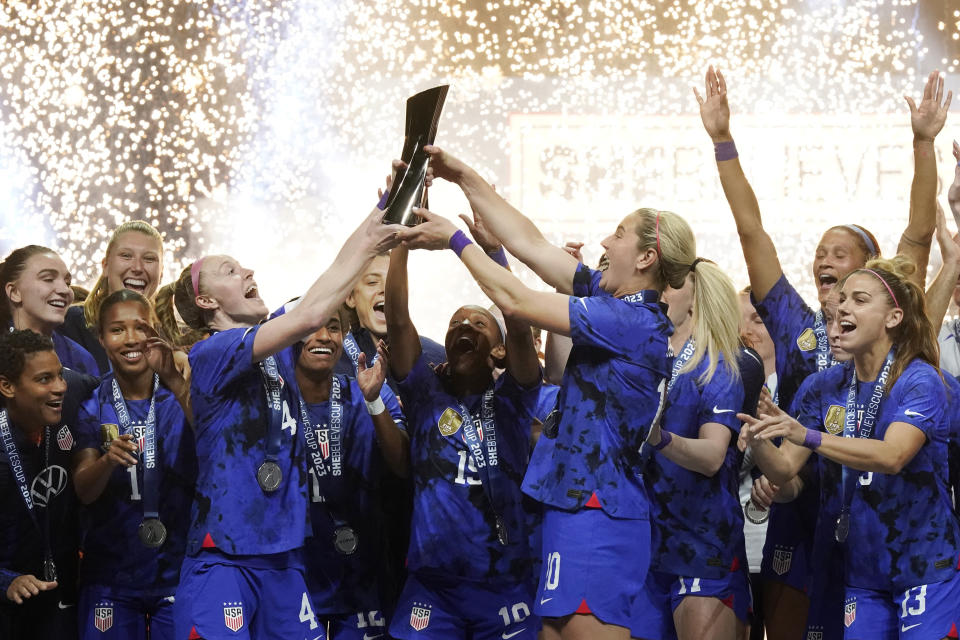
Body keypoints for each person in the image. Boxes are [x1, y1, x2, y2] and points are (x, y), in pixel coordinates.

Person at [398, 145, 695, 640]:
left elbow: (515, 299)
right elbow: (529, 242)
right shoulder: (607, 297)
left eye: (618, 234)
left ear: (646, 257)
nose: (605, 239)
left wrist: (453, 240)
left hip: (600, 512)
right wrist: (461, 174)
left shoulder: (631, 320)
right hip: (571, 506)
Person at [695, 66, 951, 638]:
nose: (824, 261)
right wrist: (722, 142)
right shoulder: (797, 325)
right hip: (804, 509)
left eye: (842, 253)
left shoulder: (905, 358)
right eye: (818, 252)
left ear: (878, 281)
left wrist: (923, 144)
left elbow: (917, 231)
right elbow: (751, 232)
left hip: (884, 512)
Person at [164, 198, 401, 639]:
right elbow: (311, 311)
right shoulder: (213, 351)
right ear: (206, 299)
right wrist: (371, 240)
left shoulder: (279, 354)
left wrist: (380, 213)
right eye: (231, 271)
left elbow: (322, 294)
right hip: (225, 555)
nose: (248, 272)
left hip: (286, 557)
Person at [742, 257, 960, 638]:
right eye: (841, 299)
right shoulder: (822, 387)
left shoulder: (920, 380)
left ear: (893, 318)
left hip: (925, 568)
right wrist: (760, 438)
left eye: (859, 300)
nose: (842, 307)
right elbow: (784, 470)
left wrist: (808, 435)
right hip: (863, 573)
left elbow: (892, 456)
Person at [383, 234, 542, 640]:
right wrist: (400, 241)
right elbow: (398, 318)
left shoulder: (514, 398)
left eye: (478, 322)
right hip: (433, 587)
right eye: (455, 323)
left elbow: (520, 326)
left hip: (505, 583)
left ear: (500, 352)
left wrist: (494, 252)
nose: (464, 326)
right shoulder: (423, 392)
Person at [630, 260, 748, 640]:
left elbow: (713, 456)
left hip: (701, 543)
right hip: (645, 540)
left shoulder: (719, 368)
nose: (660, 290)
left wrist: (659, 437)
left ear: (696, 301)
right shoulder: (645, 360)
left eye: (671, 284)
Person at [71, 289, 196, 640]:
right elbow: (83, 490)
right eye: (117, 330)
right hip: (111, 576)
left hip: (179, 570)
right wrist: (107, 462)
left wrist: (178, 383)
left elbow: (216, 449)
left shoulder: (181, 392)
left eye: (141, 327)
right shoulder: (92, 405)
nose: (130, 339)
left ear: (156, 332)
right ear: (101, 339)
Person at [287, 313, 408, 640]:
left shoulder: (368, 390)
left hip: (362, 575)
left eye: (334, 328)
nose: (323, 336)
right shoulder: (273, 403)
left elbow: (401, 464)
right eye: (310, 328)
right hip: (294, 574)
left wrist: (373, 402)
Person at [0, 330, 80, 639]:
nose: (60, 387)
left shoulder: (62, 425)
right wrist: (7, 582)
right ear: (7, 386)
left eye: (60, 375)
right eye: (44, 379)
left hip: (58, 599)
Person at [59, 220, 165, 375]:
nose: (137, 268)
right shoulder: (70, 324)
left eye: (149, 259)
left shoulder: (174, 339)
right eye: (126, 256)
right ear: (105, 266)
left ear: (161, 273)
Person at [334, 253, 445, 392]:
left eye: (394, 282)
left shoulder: (438, 357)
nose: (387, 290)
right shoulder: (332, 360)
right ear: (350, 297)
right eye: (372, 282)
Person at [1, 245, 99, 377]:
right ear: (14, 292)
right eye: (48, 279)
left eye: (67, 282)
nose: (64, 290)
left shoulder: (81, 359)